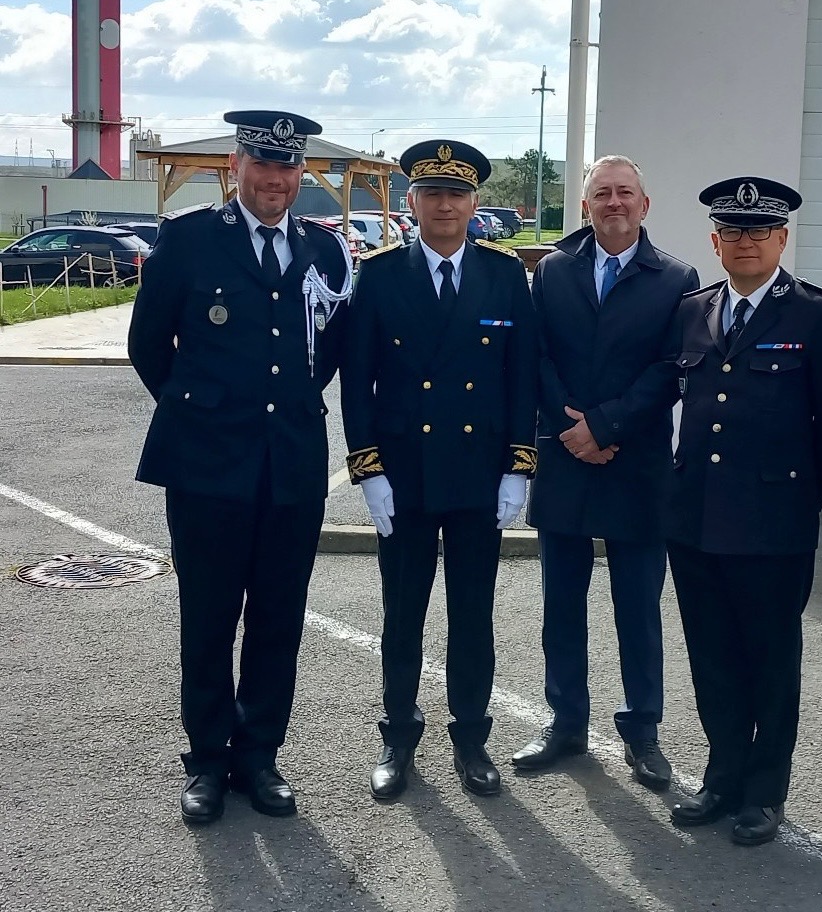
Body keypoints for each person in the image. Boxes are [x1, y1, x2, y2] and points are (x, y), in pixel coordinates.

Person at [128, 110, 353, 825]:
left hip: (290, 462)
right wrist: (204, 412)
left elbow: (330, 351)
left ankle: (259, 756)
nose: (275, 180)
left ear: (300, 174)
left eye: (288, 168)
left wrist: (276, 406)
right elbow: (147, 346)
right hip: (206, 465)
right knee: (209, 614)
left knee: (279, 616)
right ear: (237, 166)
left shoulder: (324, 252)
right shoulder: (190, 240)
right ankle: (206, 760)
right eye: (263, 165)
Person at [665, 176, 822, 844]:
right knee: (712, 657)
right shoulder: (691, 309)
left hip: (773, 523)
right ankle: (721, 777)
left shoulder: (818, 316)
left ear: (782, 238)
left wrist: (796, 493)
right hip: (693, 521)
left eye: (759, 231)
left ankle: (763, 793)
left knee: (771, 660)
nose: (745, 242)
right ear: (715, 241)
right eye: (733, 232)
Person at [339, 139, 538, 800]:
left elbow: (520, 376)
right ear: (414, 203)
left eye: (456, 194)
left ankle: (473, 739)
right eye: (432, 194)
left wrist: (519, 465)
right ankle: (398, 735)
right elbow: (356, 379)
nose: (444, 205)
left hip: (479, 475)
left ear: (474, 202)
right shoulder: (381, 271)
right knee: (403, 614)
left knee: (472, 615)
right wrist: (368, 472)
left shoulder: (504, 274)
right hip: (405, 476)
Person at [511, 156, 699, 787]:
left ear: (645, 205)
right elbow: (534, 353)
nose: (613, 202)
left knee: (637, 607)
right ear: (584, 206)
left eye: (624, 193)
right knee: (560, 603)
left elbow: (673, 368)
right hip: (565, 456)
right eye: (600, 194)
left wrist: (607, 426)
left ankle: (643, 731)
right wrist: (572, 427)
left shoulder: (676, 278)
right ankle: (565, 724)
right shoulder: (554, 271)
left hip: (635, 463)